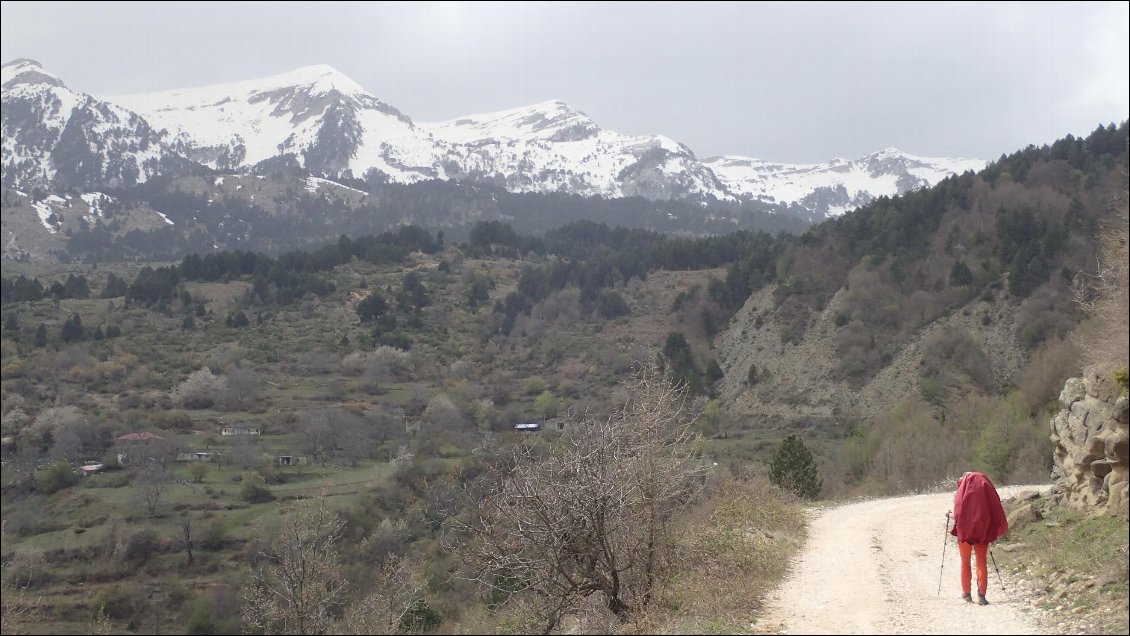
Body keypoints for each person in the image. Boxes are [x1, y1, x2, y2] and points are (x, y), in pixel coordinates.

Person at [950, 471, 1009, 605]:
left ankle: (966, 594)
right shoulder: (985, 491)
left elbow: (957, 512)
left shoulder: (961, 491)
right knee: (981, 561)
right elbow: (993, 509)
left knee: (965, 561)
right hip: (982, 532)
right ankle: (981, 596)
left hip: (964, 532)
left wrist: (951, 516)